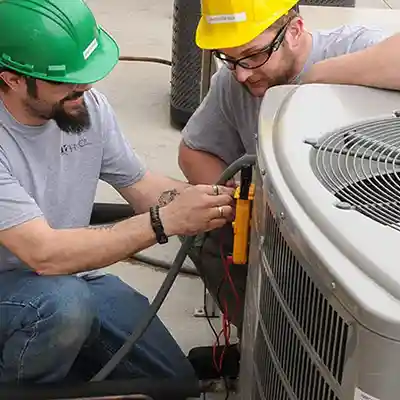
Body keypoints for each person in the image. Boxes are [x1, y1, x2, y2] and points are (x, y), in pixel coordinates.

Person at [0, 0, 235, 384]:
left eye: (87, 73)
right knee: (63, 308)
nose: (85, 86)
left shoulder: (84, 106)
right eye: (67, 79)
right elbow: (44, 255)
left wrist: (213, 200)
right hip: (21, 288)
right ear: (11, 79)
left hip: (74, 277)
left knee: (172, 385)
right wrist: (163, 222)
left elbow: (141, 186)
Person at [178, 0, 400, 332]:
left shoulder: (353, 49)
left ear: (294, 31)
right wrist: (242, 209)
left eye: (254, 55)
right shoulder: (234, 81)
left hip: (365, 241)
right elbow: (194, 151)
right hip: (276, 234)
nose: (242, 73)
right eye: (230, 59)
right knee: (203, 234)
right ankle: (263, 345)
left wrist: (316, 78)